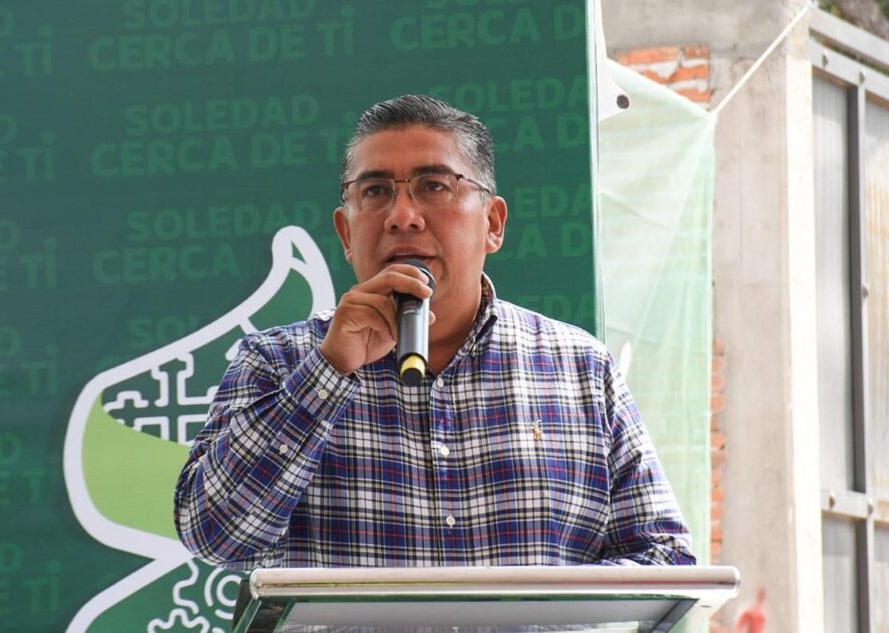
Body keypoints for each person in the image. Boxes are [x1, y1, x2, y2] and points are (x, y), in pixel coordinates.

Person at [174, 95, 696, 569]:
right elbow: (213, 537)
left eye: (434, 187)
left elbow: (663, 558)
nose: (402, 216)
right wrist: (328, 372)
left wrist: (541, 613)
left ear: (493, 223)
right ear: (346, 233)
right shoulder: (277, 362)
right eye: (375, 191)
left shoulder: (580, 368)